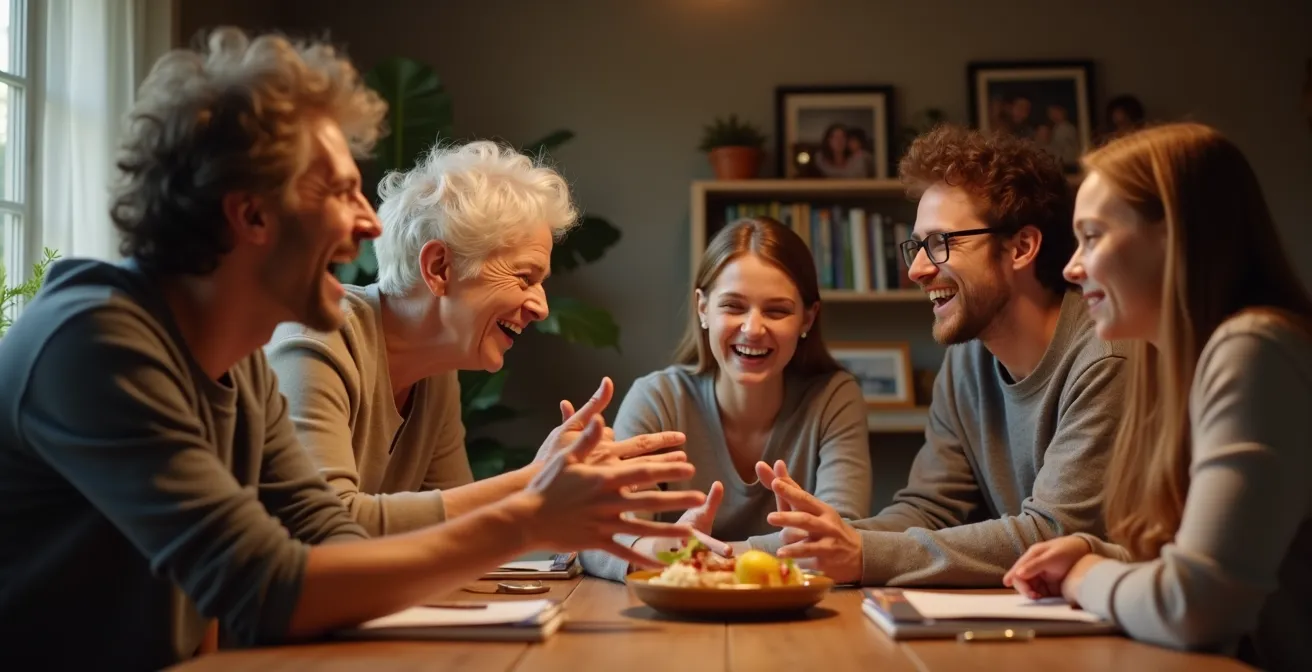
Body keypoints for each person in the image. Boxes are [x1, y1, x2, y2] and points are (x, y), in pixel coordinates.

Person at [0, 28, 703, 669]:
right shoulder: (96, 341)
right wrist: (527, 513)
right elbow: (266, 585)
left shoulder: (238, 363)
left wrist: (540, 514)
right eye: (340, 191)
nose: (370, 222)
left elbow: (327, 536)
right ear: (252, 213)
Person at [757, 125, 1128, 586]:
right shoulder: (967, 360)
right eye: (916, 245)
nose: (916, 269)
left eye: (941, 243)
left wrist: (861, 553)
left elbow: (1054, 533)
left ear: (1022, 247)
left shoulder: (1104, 358)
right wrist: (750, 554)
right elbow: (928, 510)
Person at [1003, 123, 1312, 670]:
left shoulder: (1254, 348)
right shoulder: (1176, 364)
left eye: (1092, 236)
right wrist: (1096, 552)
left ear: (1180, 234)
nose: (1072, 267)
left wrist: (1083, 575)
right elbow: (1219, 554)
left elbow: (1194, 605)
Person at [265, 140, 686, 536]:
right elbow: (326, 527)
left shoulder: (435, 372)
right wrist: (536, 482)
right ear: (440, 268)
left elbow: (450, 537)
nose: (540, 306)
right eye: (525, 277)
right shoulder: (316, 342)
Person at [581, 217, 873, 581]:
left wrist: (699, 554)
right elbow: (599, 535)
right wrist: (655, 549)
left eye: (777, 310)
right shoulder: (657, 398)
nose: (752, 328)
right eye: (734, 306)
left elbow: (836, 540)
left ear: (807, 319)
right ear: (703, 308)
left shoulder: (834, 398)